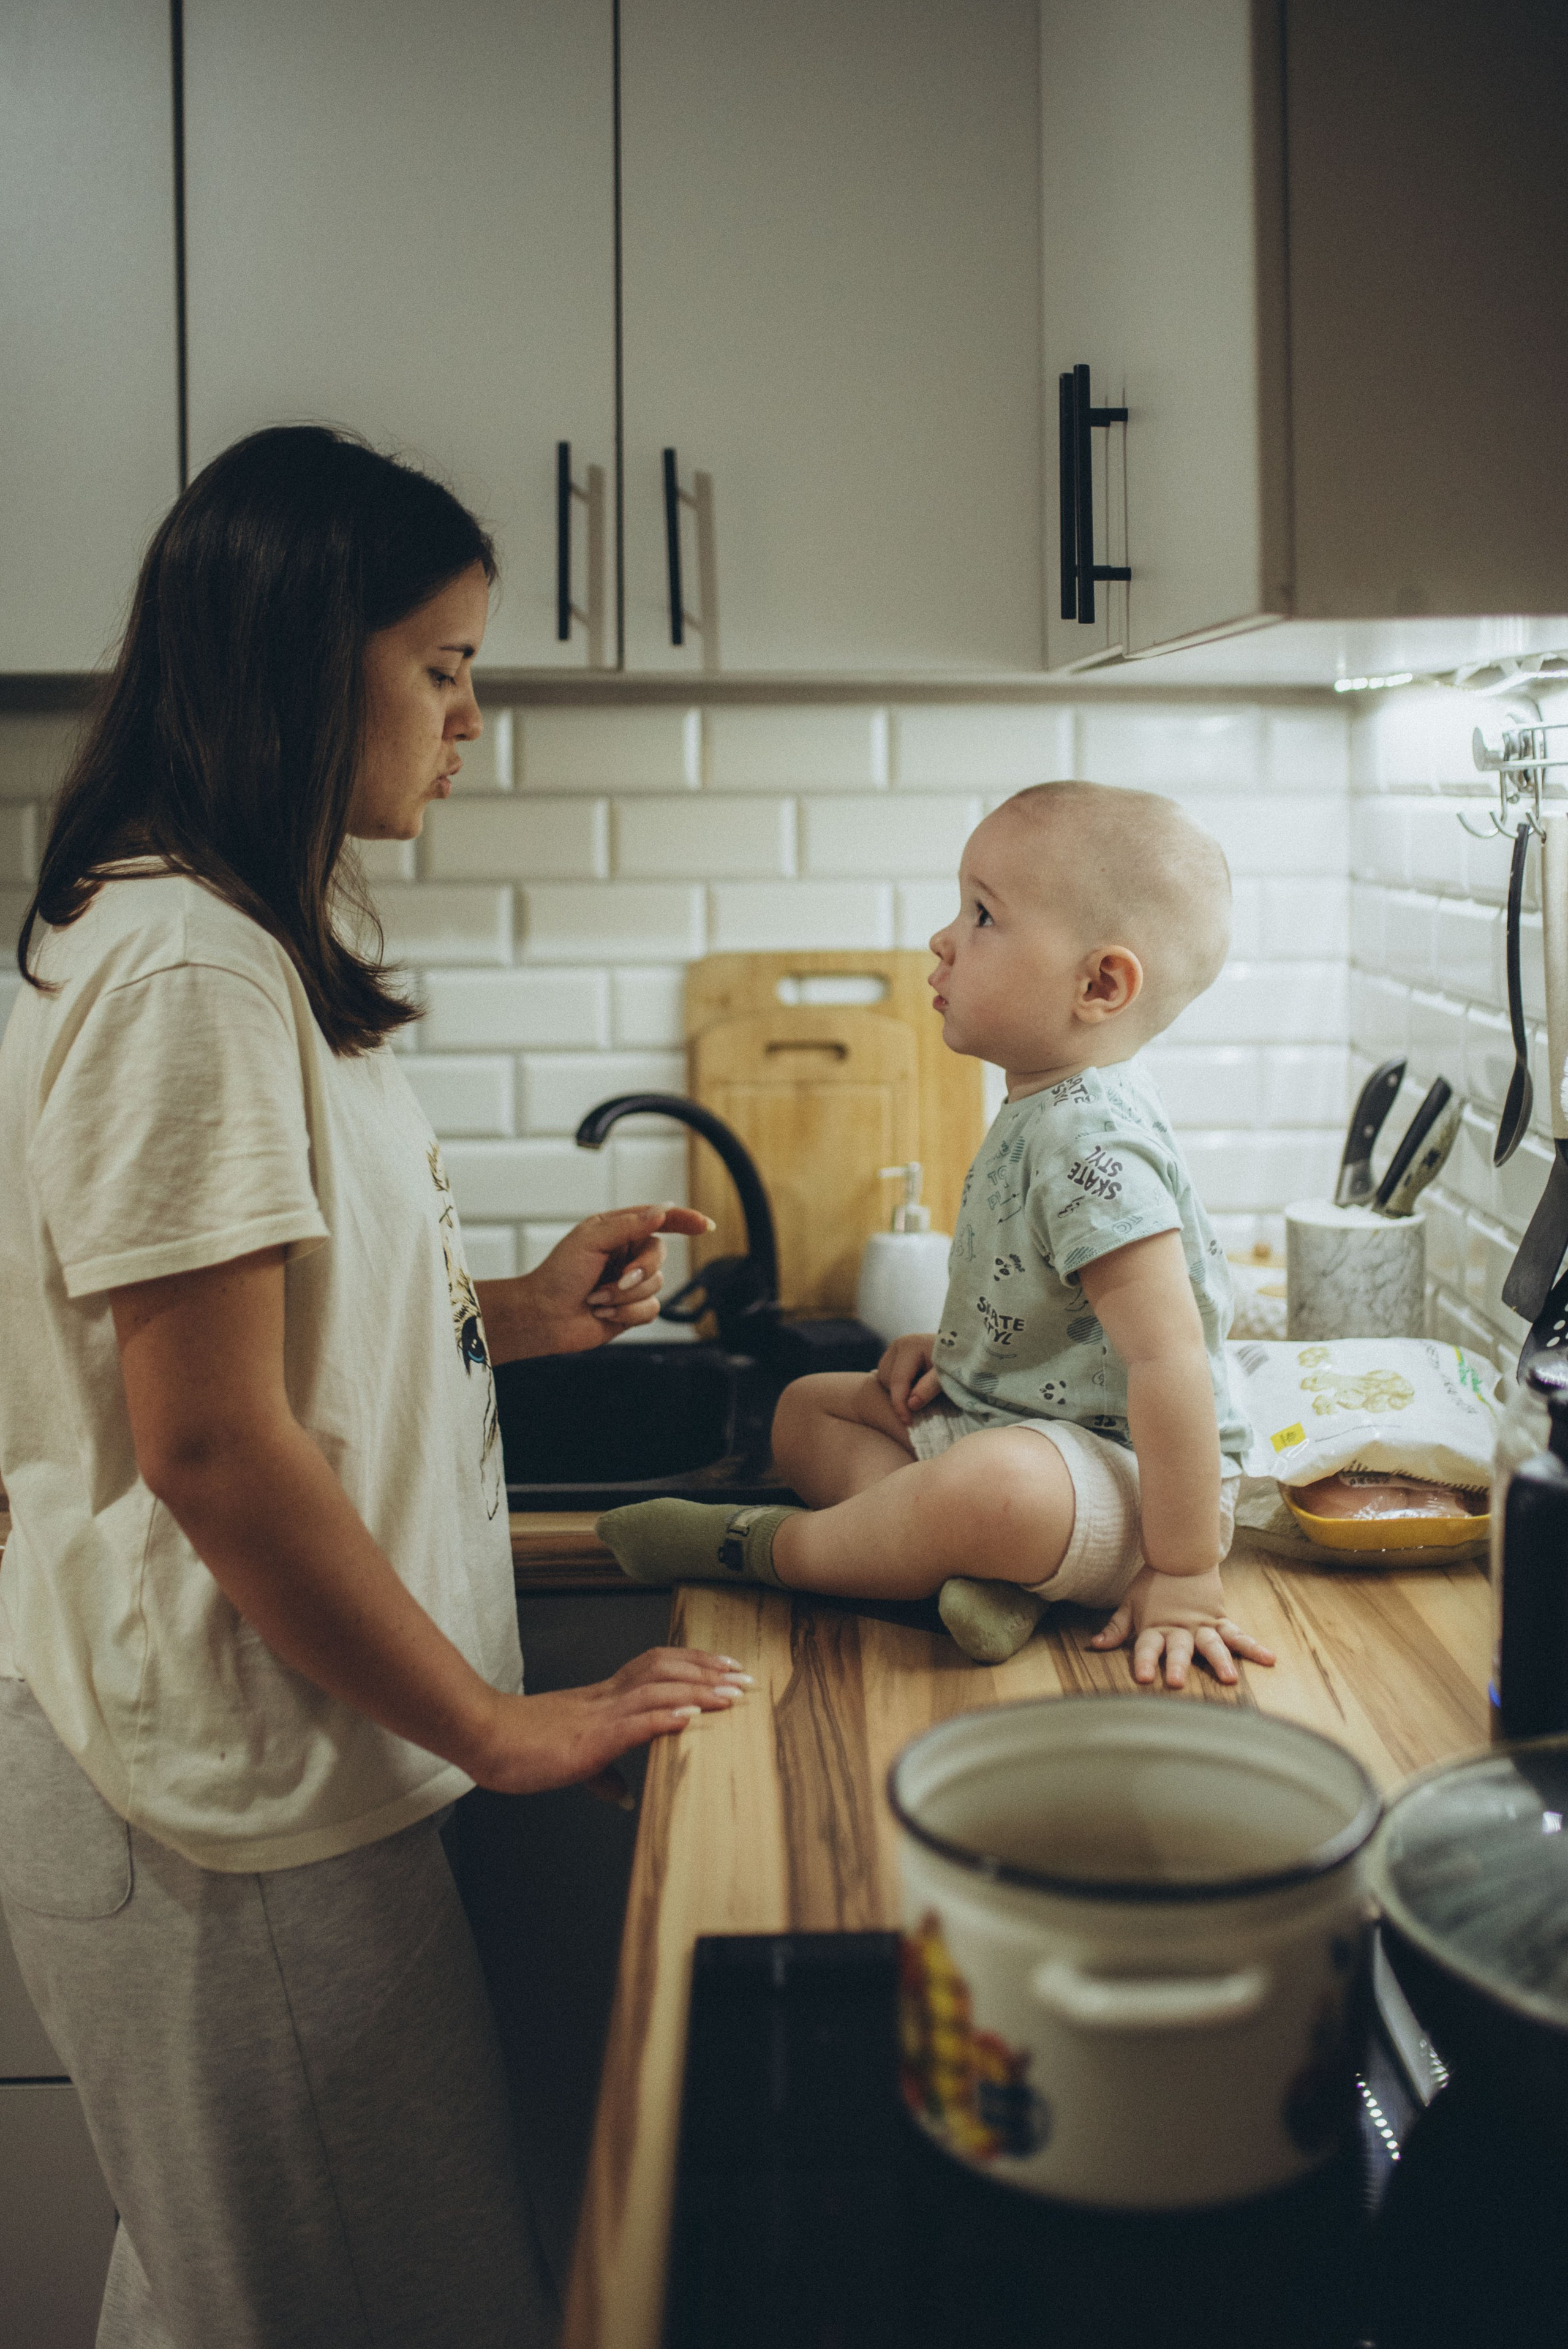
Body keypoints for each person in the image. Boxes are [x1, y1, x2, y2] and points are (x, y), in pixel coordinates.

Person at [0, 424, 747, 2349]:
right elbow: (210, 1445)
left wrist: (512, 1309)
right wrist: (499, 1729)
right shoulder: (187, 969)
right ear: (301, 667)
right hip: (229, 1797)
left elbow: (245, 1341)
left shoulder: (225, 936)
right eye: (443, 666)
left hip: (270, 1763)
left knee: (232, 2299)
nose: (473, 716)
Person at [598, 781, 1276, 1687]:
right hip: (1024, 1433)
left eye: (984, 915)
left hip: (1139, 1489)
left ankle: (770, 1549)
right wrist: (958, 1352)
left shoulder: (1091, 1139)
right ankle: (974, 1571)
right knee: (808, 1411)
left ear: (1099, 985)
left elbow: (1171, 1361)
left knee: (996, 1487)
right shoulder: (1047, 1106)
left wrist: (1184, 1572)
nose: (944, 938)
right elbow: (1056, 1310)